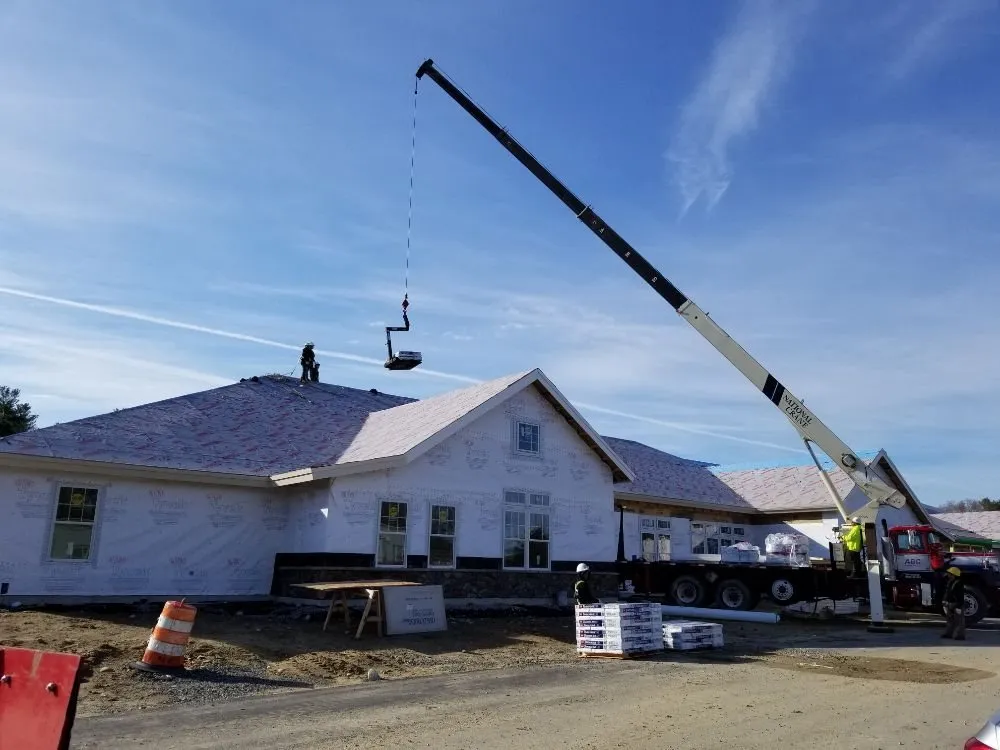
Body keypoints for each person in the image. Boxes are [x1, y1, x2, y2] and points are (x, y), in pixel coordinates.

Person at [941, 566, 966, 640]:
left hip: (956, 604)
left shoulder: (958, 584)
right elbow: (947, 593)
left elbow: (960, 596)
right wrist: (945, 601)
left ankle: (960, 636)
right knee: (950, 620)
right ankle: (948, 634)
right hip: (950, 604)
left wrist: (958, 606)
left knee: (959, 621)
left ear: (953, 575)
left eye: (949, 573)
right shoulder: (950, 582)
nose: (947, 575)